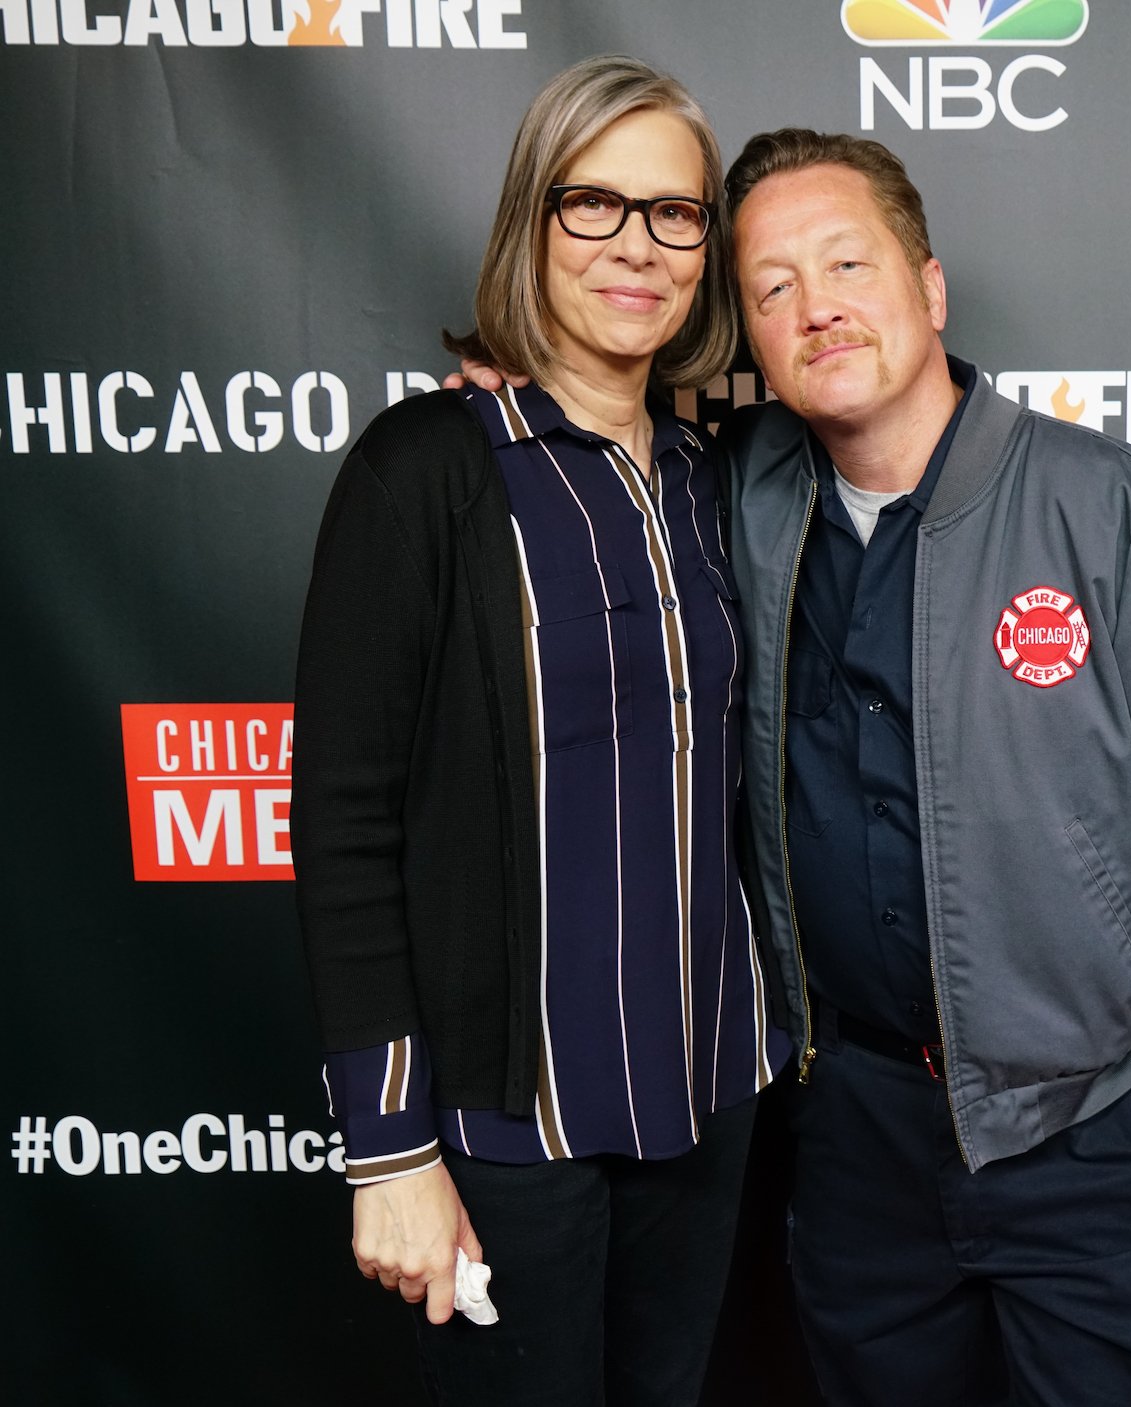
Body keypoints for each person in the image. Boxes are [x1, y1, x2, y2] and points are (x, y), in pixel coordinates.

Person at [461, 130, 1131, 1407]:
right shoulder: (732, 499)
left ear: (927, 287)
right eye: (770, 287)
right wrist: (532, 391)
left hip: (1084, 1136)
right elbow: (607, 461)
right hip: (853, 1142)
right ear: (743, 333)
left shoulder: (1114, 511)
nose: (817, 308)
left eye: (846, 263)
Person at [292, 56, 784, 1404]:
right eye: (595, 205)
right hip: (517, 1125)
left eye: (675, 214)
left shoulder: (703, 475)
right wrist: (388, 1146)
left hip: (709, 1086)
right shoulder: (428, 468)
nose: (638, 246)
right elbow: (342, 823)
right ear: (531, 220)